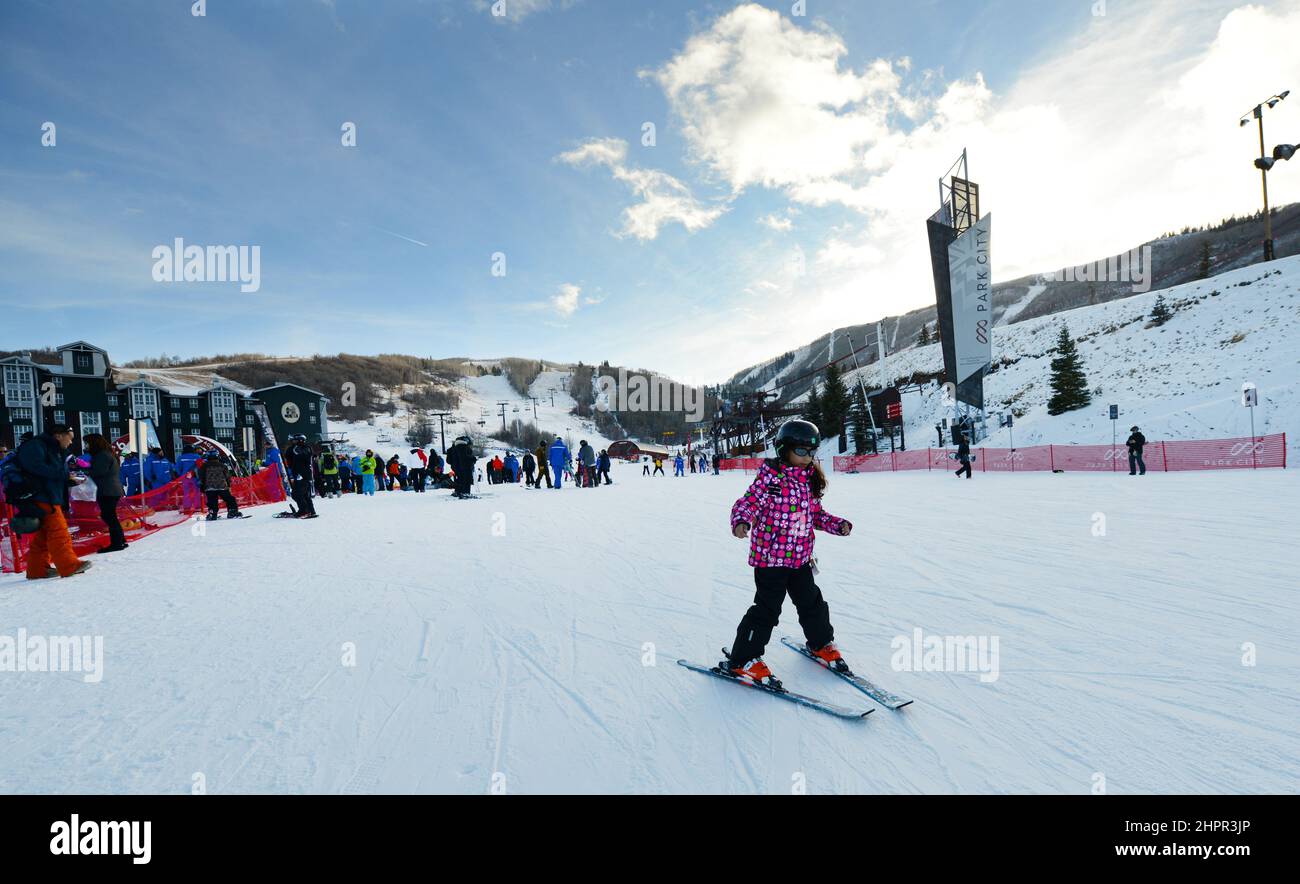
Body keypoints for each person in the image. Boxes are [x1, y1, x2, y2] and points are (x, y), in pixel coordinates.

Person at [722, 420, 851, 684]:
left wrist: (837, 525)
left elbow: (816, 515)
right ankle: (742, 659)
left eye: (811, 452)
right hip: (770, 561)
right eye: (801, 451)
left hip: (800, 559)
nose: (808, 458)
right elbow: (748, 503)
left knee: (811, 602)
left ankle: (820, 643)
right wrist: (741, 521)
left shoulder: (808, 481)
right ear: (784, 449)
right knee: (767, 610)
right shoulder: (770, 479)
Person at [15, 423, 92, 579]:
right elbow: (37, 468)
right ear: (58, 436)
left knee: (44, 535)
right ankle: (69, 565)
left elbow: (51, 473)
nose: (71, 443)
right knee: (59, 531)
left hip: (48, 494)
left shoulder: (52, 449)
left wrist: (69, 480)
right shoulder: (37, 446)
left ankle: (38, 570)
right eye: (69, 439)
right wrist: (64, 476)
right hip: (42, 496)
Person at [82, 434, 128, 553]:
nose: (86, 446)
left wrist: (84, 468)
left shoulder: (102, 455)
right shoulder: (107, 453)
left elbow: (98, 472)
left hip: (107, 490)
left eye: (87, 443)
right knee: (110, 515)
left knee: (108, 516)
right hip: (112, 489)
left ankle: (117, 543)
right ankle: (121, 540)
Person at [197, 450, 244, 520]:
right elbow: (227, 477)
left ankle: (212, 513)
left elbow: (201, 477)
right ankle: (232, 511)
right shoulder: (222, 466)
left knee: (212, 501)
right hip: (222, 487)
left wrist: (202, 486)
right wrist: (228, 485)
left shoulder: (204, 466)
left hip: (209, 487)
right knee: (230, 499)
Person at [286, 434, 318, 517]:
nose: (293, 442)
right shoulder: (294, 448)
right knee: (303, 495)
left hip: (303, 475)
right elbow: (288, 456)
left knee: (298, 494)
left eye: (295, 440)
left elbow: (305, 456)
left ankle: (304, 510)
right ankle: (310, 510)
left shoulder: (306, 448)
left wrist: (296, 451)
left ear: (300, 440)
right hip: (298, 474)